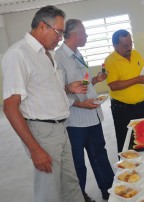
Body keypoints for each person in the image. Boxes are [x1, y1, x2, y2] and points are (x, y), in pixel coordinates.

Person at [1, 6, 87, 202]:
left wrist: (67, 88)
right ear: (42, 26)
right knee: (49, 191)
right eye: (59, 32)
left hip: (61, 129)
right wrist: (34, 149)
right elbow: (10, 106)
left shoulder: (49, 54)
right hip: (42, 132)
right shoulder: (19, 54)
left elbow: (41, 89)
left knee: (71, 184)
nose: (60, 38)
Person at [55, 19, 114, 201]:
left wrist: (95, 80)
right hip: (75, 122)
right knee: (77, 164)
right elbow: (58, 90)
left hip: (92, 115)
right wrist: (81, 104)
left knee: (99, 154)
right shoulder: (58, 58)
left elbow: (83, 82)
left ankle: (109, 190)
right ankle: (79, 195)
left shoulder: (77, 53)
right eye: (84, 33)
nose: (87, 36)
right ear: (75, 35)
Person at [104, 29, 144, 153]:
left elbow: (142, 73)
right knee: (126, 142)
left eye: (131, 43)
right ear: (115, 45)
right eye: (125, 45)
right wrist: (137, 79)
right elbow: (113, 85)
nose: (129, 47)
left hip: (142, 106)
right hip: (122, 110)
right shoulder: (110, 61)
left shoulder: (137, 54)